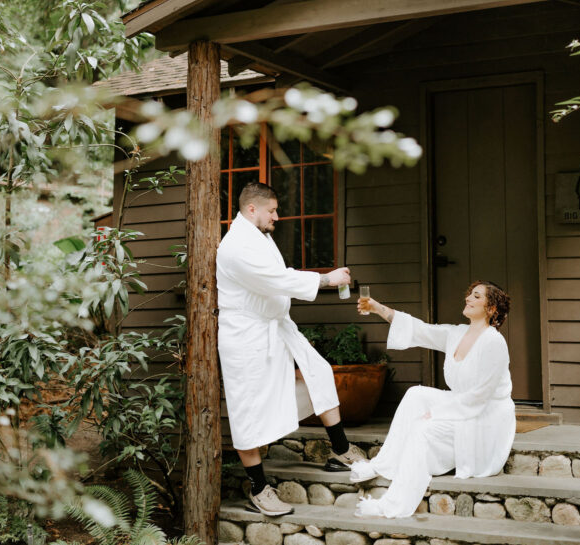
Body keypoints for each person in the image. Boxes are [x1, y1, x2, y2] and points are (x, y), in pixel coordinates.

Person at [216, 182, 365, 517]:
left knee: (319, 373)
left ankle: (340, 449)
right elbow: (278, 280)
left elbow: (279, 277)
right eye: (272, 210)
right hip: (246, 337)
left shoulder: (259, 237)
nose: (277, 216)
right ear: (251, 209)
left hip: (275, 326)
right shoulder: (235, 245)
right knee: (248, 411)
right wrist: (327, 279)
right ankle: (258, 488)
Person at [349, 282, 516, 518]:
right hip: (463, 404)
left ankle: (392, 505)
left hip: (485, 418)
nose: (468, 298)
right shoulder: (457, 333)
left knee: (423, 430)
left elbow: (480, 397)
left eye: (476, 296)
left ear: (491, 309)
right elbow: (419, 329)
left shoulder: (494, 342)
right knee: (416, 394)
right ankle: (383, 465)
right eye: (469, 293)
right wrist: (377, 308)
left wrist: (438, 412)